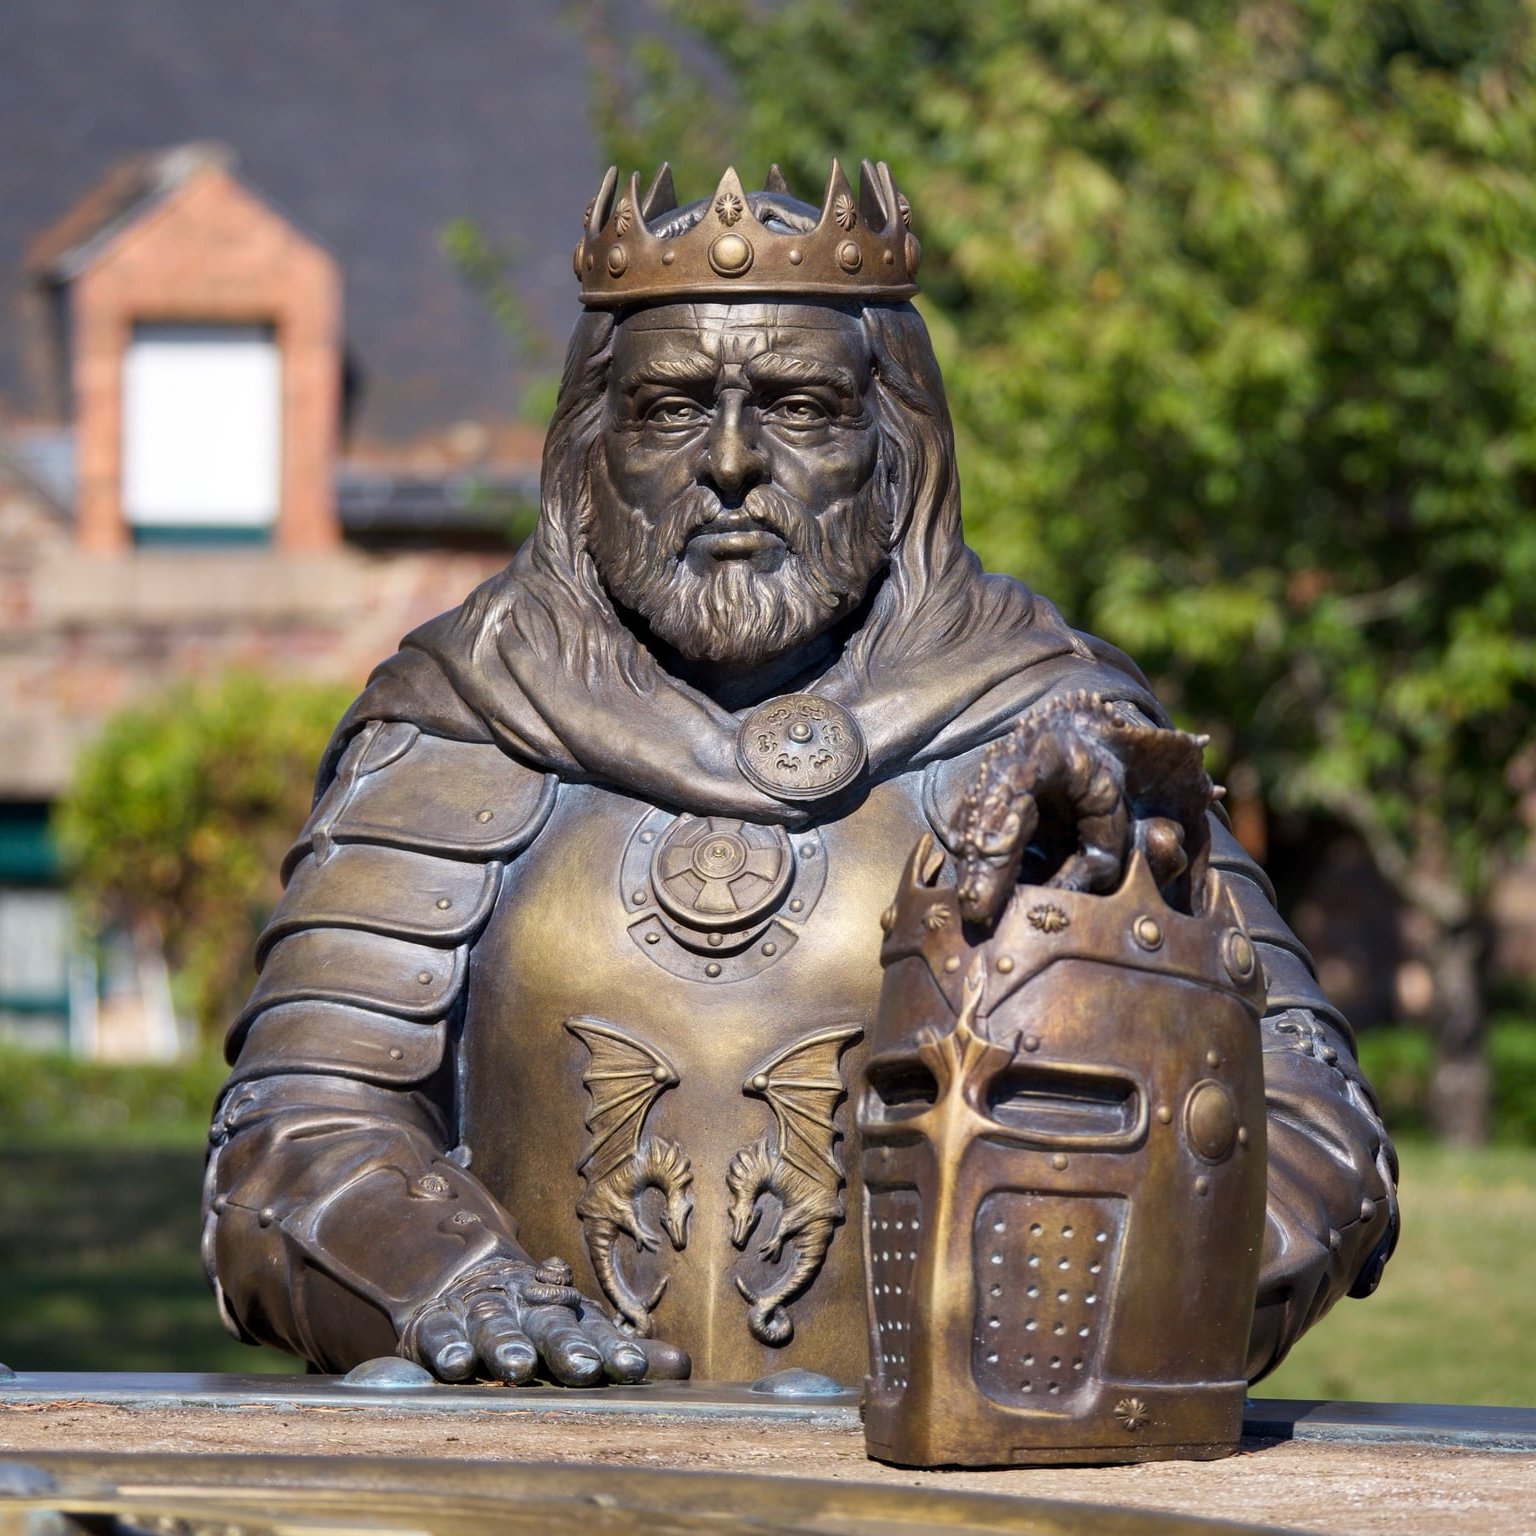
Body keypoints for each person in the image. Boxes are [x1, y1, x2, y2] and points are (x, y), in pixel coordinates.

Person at [204, 162, 1397, 1389]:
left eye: (802, 407)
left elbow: (1303, 1124)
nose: (729, 461)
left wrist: (1062, 1330)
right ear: (588, 452)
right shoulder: (461, 719)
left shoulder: (1046, 726)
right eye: (669, 409)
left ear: (898, 447)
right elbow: (288, 1140)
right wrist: (454, 1289)